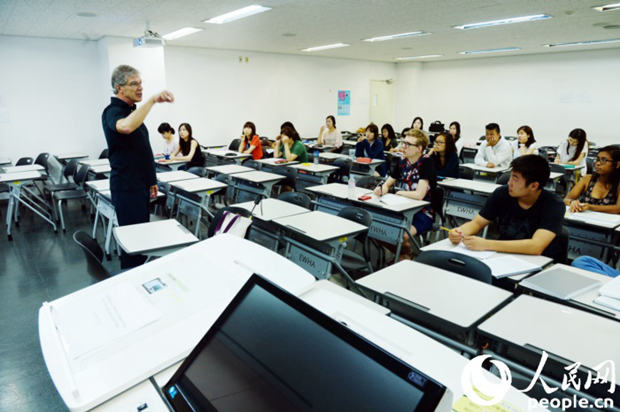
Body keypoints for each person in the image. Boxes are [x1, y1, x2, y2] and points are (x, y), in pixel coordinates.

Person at [101, 64, 174, 269]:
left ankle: (140, 273)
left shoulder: (132, 111)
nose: (140, 87)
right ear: (119, 88)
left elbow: (142, 150)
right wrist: (152, 100)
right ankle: (131, 277)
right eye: (134, 84)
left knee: (141, 237)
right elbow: (125, 126)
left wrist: (151, 180)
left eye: (141, 83)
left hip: (139, 186)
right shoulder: (113, 111)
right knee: (134, 240)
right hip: (126, 187)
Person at [449, 155, 565, 262]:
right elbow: (478, 222)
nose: (509, 183)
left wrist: (486, 244)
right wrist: (460, 232)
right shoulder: (502, 193)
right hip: (502, 256)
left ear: (534, 186)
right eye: (510, 177)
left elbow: (536, 246)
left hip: (538, 261)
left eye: (515, 179)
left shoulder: (553, 204)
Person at [374, 129, 436, 259]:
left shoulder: (426, 162)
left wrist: (399, 193)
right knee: (377, 230)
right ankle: (405, 254)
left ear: (419, 148)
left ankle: (403, 255)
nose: (403, 146)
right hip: (402, 209)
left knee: (401, 235)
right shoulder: (402, 161)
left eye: (408, 144)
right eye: (403, 142)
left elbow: (419, 195)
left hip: (422, 212)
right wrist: (381, 189)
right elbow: (388, 183)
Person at [564, 145, 620, 214]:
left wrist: (590, 207)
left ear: (617, 164)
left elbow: (618, 208)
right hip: (584, 219)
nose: (598, 163)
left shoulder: (618, 184)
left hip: (608, 223)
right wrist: (572, 202)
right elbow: (566, 199)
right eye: (598, 159)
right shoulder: (587, 179)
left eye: (604, 160)